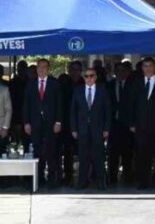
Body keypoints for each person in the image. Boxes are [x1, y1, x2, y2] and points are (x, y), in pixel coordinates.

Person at [24, 59, 63, 188]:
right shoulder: (30, 84)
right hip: (35, 123)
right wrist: (27, 122)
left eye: (44, 67)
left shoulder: (55, 83)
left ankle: (52, 179)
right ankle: (38, 178)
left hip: (51, 123)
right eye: (39, 67)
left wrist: (58, 121)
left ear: (48, 68)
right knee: (37, 151)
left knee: (51, 151)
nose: (41, 69)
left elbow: (59, 104)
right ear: (36, 69)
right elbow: (26, 105)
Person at [129, 57, 155, 189]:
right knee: (142, 155)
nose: (148, 68)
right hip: (141, 126)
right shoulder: (137, 83)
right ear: (142, 68)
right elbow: (131, 104)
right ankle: (143, 181)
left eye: (150, 65)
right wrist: (132, 123)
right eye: (145, 66)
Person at [71, 66, 110, 189]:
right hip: (82, 129)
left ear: (96, 77)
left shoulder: (102, 90)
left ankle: (101, 182)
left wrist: (106, 128)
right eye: (86, 76)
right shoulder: (78, 90)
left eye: (91, 75)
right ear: (83, 78)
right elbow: (73, 111)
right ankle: (82, 182)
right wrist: (74, 129)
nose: (89, 78)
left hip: (98, 129)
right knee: (83, 157)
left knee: (99, 157)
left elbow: (108, 110)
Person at [107, 60, 135, 185]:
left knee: (127, 151)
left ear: (127, 72)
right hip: (113, 124)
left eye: (123, 70)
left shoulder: (132, 85)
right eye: (117, 71)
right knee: (113, 151)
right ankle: (112, 176)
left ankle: (127, 175)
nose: (120, 73)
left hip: (127, 124)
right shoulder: (109, 85)